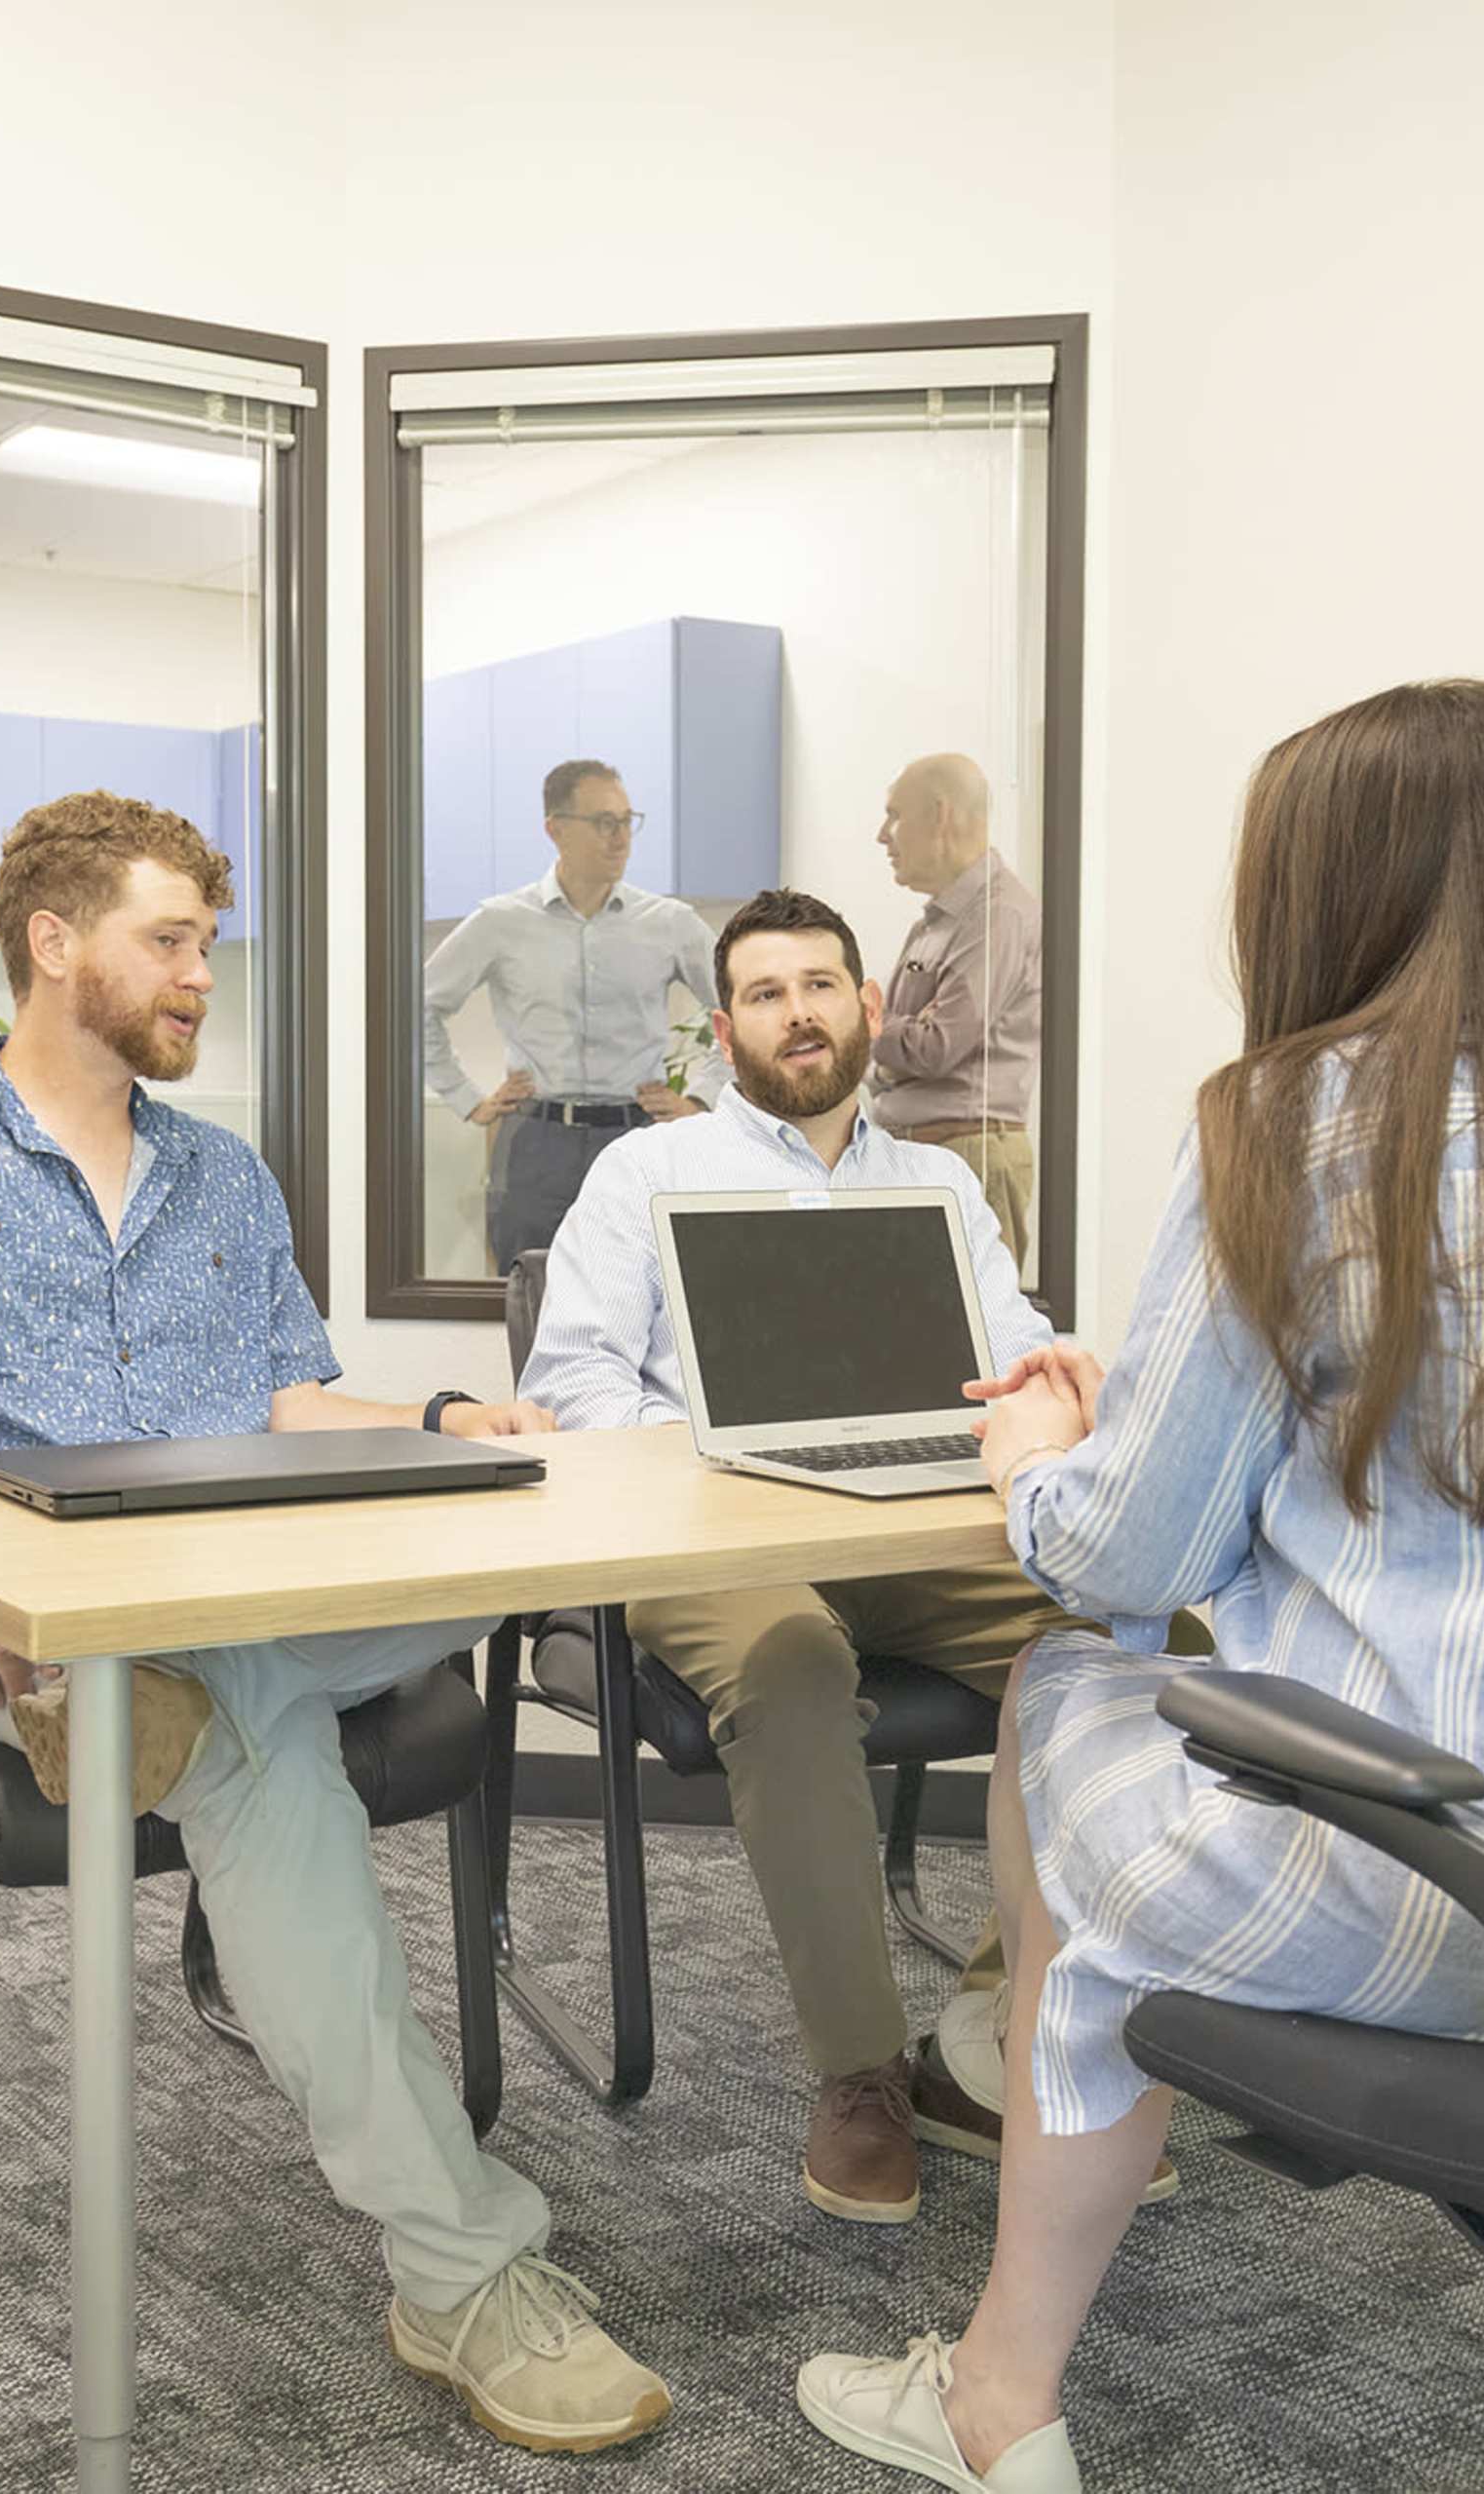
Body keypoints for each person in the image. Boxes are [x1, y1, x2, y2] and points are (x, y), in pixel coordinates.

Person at [794, 681, 1484, 2492]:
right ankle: (1063, 2063)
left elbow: (1126, 1559)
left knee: (1061, 1687)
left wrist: (1039, 1452)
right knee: (1129, 1730)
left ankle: (1003, 2371)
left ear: (1331, 891)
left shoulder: (1300, 1117)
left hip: (1393, 1905)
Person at [0, 790, 674, 2458]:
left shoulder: (222, 1176)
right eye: (168, 940)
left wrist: (443, 1419)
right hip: (11, 1636)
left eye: (206, 947)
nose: (196, 976)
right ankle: (462, 2264)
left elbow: (288, 1399)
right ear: (53, 941)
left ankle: (199, 1681)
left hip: (241, 1597)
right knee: (243, 1728)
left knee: (521, 1548)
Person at [521, 886, 1195, 2234]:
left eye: (821, 983)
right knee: (791, 1661)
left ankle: (998, 2027)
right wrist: (716, 1447)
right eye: (766, 993)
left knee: (1140, 1635)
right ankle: (864, 2069)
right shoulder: (646, 1175)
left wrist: (1055, 1387)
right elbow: (571, 1377)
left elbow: (1009, 1359)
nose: (800, 1011)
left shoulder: (936, 1181)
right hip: (710, 1530)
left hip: (914, 1517)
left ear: (868, 1005)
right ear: (724, 1027)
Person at [419, 756, 718, 1272]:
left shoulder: (670, 924)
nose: (620, 836)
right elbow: (416, 1011)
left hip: (637, 1136)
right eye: (604, 822)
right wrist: (469, 1101)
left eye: (628, 821)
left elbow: (741, 1016)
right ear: (555, 830)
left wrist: (700, 1099)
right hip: (536, 1144)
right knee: (531, 1305)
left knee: (647, 1306)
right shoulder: (500, 922)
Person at [866, 753, 1041, 1274]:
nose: (882, 835)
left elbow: (937, 1046)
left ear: (940, 815)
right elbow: (910, 1043)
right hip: (921, 1157)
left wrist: (868, 1021)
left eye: (894, 815)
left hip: (969, 1160)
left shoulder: (998, 915)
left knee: (974, 1343)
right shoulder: (940, 920)